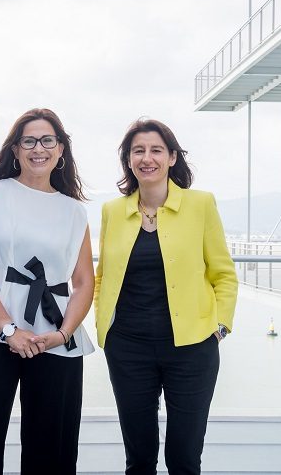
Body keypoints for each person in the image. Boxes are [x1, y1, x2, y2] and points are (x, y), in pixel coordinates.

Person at [0, 108, 95, 475]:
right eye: (28, 140)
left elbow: (84, 282)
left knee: (53, 450)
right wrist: (9, 330)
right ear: (15, 149)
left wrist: (62, 334)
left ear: (61, 150)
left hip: (54, 340)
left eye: (47, 140)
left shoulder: (75, 212)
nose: (38, 148)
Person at [94, 118, 238, 474]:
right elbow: (102, 278)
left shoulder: (201, 204)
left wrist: (220, 326)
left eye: (156, 150)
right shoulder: (112, 211)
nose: (148, 158)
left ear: (172, 157)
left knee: (184, 458)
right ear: (128, 160)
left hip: (192, 348)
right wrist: (105, 329)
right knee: (139, 459)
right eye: (138, 151)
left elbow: (224, 274)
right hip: (127, 348)